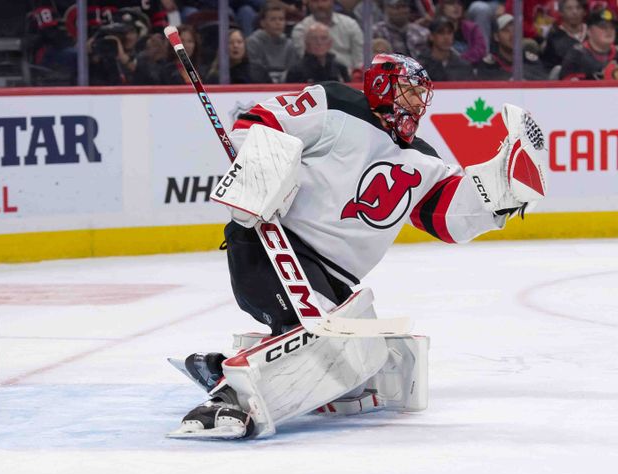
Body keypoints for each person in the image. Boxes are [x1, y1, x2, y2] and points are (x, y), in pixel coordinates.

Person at [169, 53, 546, 439]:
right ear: (382, 85)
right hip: (271, 248)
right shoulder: (335, 103)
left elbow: (448, 218)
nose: (416, 105)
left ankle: (217, 366)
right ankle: (226, 398)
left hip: (331, 280)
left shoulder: (424, 160)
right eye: (410, 92)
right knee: (327, 344)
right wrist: (255, 170)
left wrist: (499, 195)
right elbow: (260, 122)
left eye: (421, 97)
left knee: (358, 359)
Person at [291, 0, 364, 72]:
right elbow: (306, 60)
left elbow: (359, 60)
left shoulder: (350, 25)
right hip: (315, 77)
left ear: (332, 2)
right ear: (309, 4)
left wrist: (355, 75)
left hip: (349, 78)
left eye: (324, 0)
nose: (320, 5)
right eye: (315, 1)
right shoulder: (300, 30)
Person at [474, 14, 548, 80]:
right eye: (506, 31)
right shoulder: (488, 66)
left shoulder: (532, 62)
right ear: (496, 37)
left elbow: (543, 89)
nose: (513, 35)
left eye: (516, 30)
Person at [245, 1, 300, 83]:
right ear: (263, 23)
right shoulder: (253, 42)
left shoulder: (290, 44)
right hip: (260, 87)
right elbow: (256, 71)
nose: (278, 23)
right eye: (273, 19)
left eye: (281, 19)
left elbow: (292, 71)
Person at [559, 7, 618, 80]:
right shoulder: (576, 56)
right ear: (589, 31)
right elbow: (569, 88)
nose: (609, 30)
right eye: (603, 27)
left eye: (612, 27)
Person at [285, 22, 350, 82]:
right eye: (314, 38)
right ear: (306, 43)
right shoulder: (296, 71)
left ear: (330, 43)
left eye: (324, 38)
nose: (319, 42)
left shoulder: (340, 69)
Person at [205, 28, 272, 83]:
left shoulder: (258, 71)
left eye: (239, 42)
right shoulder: (215, 76)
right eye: (230, 42)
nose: (235, 46)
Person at [418, 16, 475, 80]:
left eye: (449, 33)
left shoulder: (463, 67)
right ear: (431, 36)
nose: (446, 37)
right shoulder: (420, 67)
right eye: (441, 33)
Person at [436, 0, 487, 65]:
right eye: (451, 3)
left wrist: (460, 60)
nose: (456, 7)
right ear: (442, 7)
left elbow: (480, 50)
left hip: (470, 68)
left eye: (459, 3)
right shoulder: (435, 28)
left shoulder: (472, 28)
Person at [541, 0, 587, 70]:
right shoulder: (554, 38)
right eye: (569, 8)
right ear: (561, 12)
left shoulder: (593, 33)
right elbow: (547, 69)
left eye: (578, 8)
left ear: (584, 12)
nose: (575, 12)